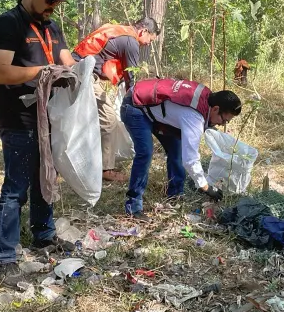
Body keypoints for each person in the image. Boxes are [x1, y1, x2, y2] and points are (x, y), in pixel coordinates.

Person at [0, 0, 74, 286]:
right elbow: (0, 72)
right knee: (16, 188)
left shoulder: (52, 27)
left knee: (44, 178)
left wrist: (81, 70)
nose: (53, 6)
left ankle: (44, 235)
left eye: (57, 1)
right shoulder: (9, 23)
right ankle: (5, 258)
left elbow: (66, 60)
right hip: (17, 119)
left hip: (47, 118)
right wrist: (43, 72)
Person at [120, 78, 242, 220]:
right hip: (135, 106)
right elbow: (190, 160)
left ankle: (175, 195)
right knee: (145, 152)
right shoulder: (194, 117)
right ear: (215, 109)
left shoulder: (207, 97)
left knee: (176, 150)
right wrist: (206, 187)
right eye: (224, 120)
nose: (222, 124)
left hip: (151, 108)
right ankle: (133, 206)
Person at [71, 17, 160, 182]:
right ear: (144, 31)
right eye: (151, 39)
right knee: (109, 121)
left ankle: (89, 161)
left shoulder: (119, 31)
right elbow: (131, 78)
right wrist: (136, 104)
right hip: (83, 75)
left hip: (76, 69)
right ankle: (106, 169)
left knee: (89, 120)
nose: (149, 44)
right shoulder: (131, 42)